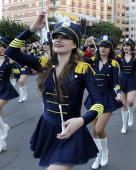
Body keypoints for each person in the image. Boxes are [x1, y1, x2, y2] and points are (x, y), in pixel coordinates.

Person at [5, 12, 104, 170]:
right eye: (56, 36)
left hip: (70, 130)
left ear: (74, 44)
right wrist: (31, 29)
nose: (58, 39)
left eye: (65, 37)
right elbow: (10, 51)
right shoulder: (44, 63)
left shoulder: (83, 69)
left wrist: (82, 120)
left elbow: (99, 104)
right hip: (47, 128)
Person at [83, 35, 123, 169]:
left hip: (108, 97)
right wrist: (85, 45)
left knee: (100, 129)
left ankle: (105, 151)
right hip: (94, 97)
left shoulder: (114, 63)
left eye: (105, 46)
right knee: (93, 131)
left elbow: (116, 82)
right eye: (101, 46)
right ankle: (98, 155)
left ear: (110, 48)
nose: (103, 48)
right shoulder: (93, 61)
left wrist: (118, 92)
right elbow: (78, 58)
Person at [115, 38, 136, 134]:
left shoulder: (135, 57)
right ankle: (124, 125)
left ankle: (131, 113)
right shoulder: (119, 57)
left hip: (132, 81)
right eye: (124, 45)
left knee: (130, 101)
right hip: (122, 81)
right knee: (123, 105)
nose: (125, 47)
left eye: (128, 45)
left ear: (131, 46)